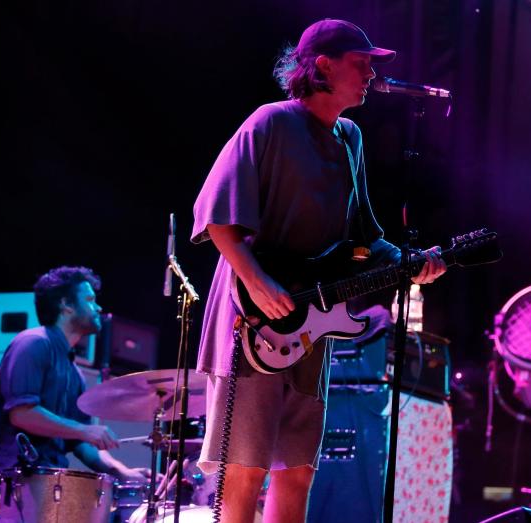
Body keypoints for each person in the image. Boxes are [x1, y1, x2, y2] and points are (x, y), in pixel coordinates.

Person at [191, 18, 446, 523]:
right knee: (245, 468)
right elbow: (217, 215)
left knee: (299, 468)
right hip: (254, 314)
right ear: (323, 67)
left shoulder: (350, 138)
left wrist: (410, 263)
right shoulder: (270, 122)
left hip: (311, 318)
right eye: (362, 63)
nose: (372, 73)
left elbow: (365, 235)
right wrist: (258, 282)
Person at [0, 266, 149, 486]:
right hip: (7, 481)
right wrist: (85, 430)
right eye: (90, 300)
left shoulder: (75, 373)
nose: (98, 307)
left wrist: (123, 472)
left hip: (45, 483)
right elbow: (22, 414)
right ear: (66, 304)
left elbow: (80, 443)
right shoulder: (33, 343)